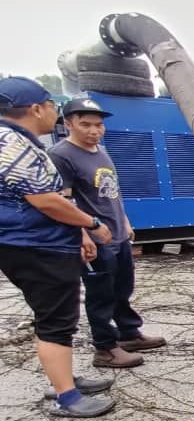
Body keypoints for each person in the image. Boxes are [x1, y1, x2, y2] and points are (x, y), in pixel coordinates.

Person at [0, 77, 115, 417]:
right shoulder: (11, 144)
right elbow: (46, 200)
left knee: (54, 317)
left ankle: (64, 378)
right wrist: (90, 224)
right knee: (56, 320)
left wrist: (76, 234)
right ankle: (67, 397)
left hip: (37, 243)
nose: (54, 112)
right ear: (36, 108)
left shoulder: (19, 141)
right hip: (36, 245)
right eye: (52, 105)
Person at [48, 97, 166, 368]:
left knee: (122, 287)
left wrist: (124, 221)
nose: (94, 131)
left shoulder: (100, 151)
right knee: (100, 293)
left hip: (116, 233)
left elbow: (112, 190)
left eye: (98, 125)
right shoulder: (61, 155)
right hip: (93, 237)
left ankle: (129, 333)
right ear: (68, 124)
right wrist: (83, 235)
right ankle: (105, 348)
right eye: (86, 125)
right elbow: (64, 201)